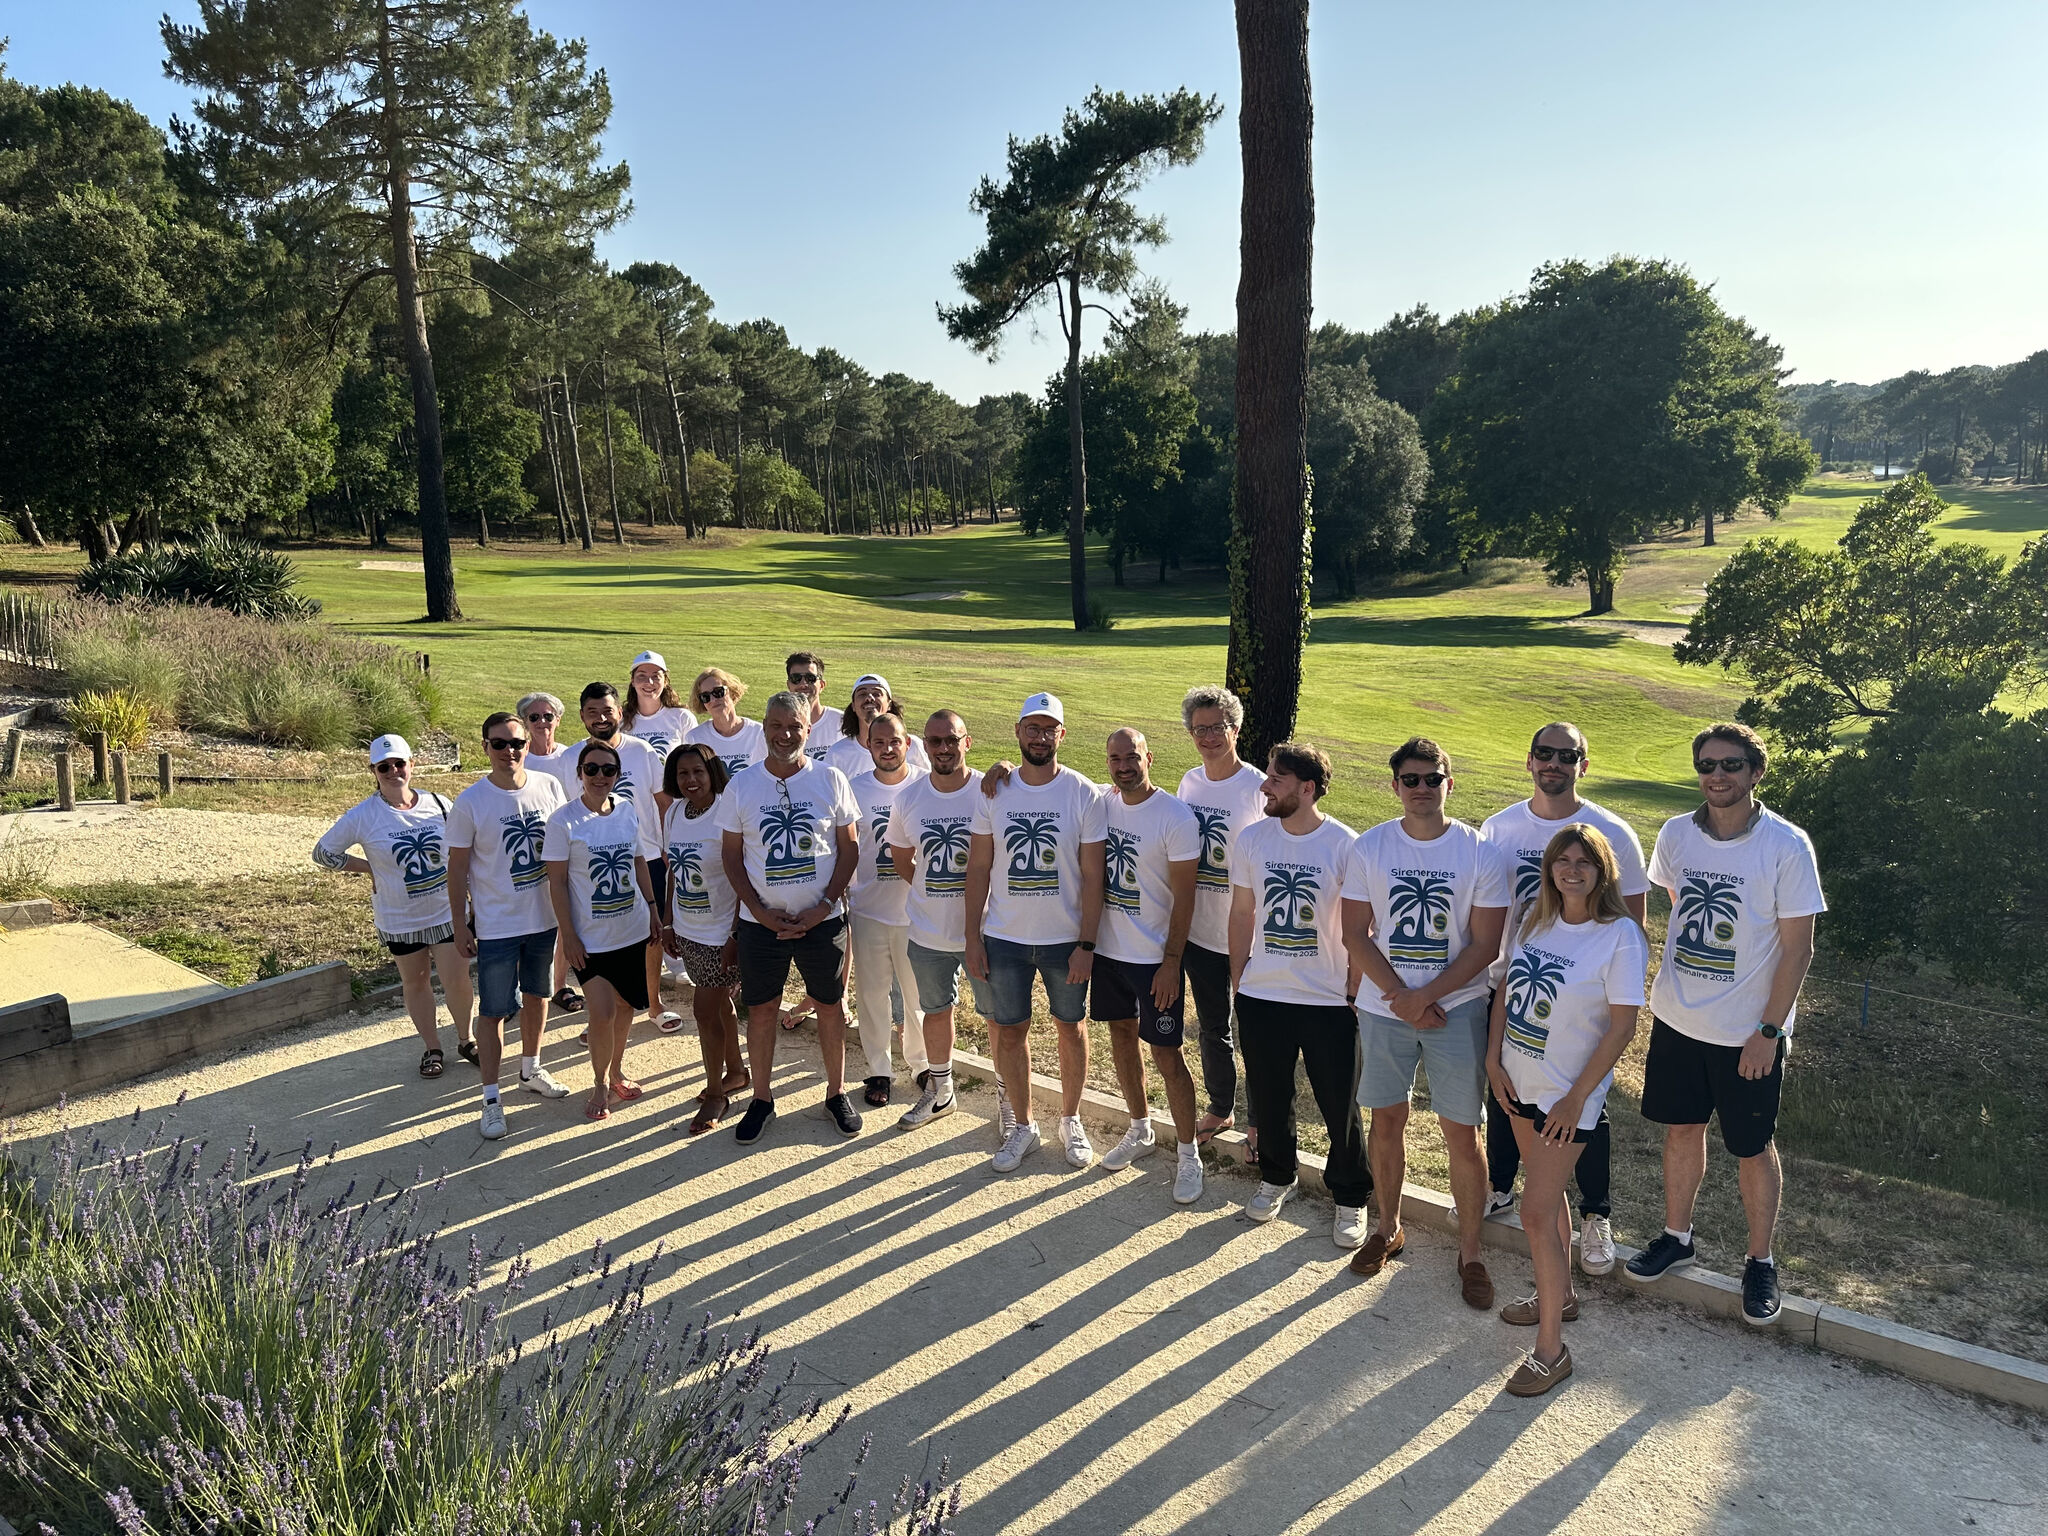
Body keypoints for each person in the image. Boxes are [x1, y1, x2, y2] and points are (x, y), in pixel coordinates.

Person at [1625, 722, 1824, 1327]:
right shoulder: (1676, 835)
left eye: (1732, 765)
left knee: (1752, 1147)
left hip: (1749, 1036)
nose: (1718, 776)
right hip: (1679, 1019)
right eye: (1707, 765)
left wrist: (1769, 1031)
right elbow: (1674, 904)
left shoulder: (1787, 846)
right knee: (1683, 1131)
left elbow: (1798, 950)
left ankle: (1760, 1261)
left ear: (1756, 772)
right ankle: (1676, 1237)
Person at [1478, 722, 1649, 1277]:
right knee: (1510, 1098)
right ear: (1529, 761)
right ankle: (1500, 1184)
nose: (1554, 762)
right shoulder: (1499, 827)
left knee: (1583, 1110)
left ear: (1584, 763)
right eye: (1544, 753)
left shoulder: (1613, 832)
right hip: (1515, 979)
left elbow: (1633, 921)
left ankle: (1595, 1214)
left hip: (1584, 996)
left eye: (1567, 755)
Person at [1343, 737, 1510, 1305]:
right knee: (1386, 1120)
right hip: (1385, 1008)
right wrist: (1400, 995)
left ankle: (1471, 1253)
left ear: (1449, 783)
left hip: (1458, 1009)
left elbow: (1486, 944)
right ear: (1394, 786)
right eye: (1410, 780)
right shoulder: (1369, 848)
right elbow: (1354, 935)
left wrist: (1427, 996)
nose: (1421, 789)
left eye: (1431, 779)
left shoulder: (1481, 853)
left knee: (1461, 1132)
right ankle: (1386, 1228)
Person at [1486, 825, 1648, 1397]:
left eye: (1585, 861)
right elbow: (1507, 988)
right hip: (1518, 1082)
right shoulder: (1536, 915)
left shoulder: (1620, 936)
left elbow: (1623, 1026)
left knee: (1533, 1213)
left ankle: (1552, 1351)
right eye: (1563, 860)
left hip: (1566, 1098)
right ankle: (1564, 1298)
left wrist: (1579, 1096)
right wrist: (1492, 1058)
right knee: (1544, 1197)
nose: (1572, 869)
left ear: (1603, 871)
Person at [1227, 742, 1375, 1244]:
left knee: (1341, 1105)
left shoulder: (1345, 846)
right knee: (1269, 1098)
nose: (1265, 786)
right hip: (1263, 995)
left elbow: (1360, 927)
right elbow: (1243, 913)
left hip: (1329, 1001)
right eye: (1268, 776)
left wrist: (1354, 987)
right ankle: (1276, 1176)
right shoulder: (1251, 840)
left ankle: (1351, 1197)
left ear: (1307, 788)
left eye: (1277, 779)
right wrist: (1238, 980)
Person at [965, 693, 1106, 1173]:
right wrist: (971, 936)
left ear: (1061, 735)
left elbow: (1093, 877)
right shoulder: (994, 791)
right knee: (1010, 1032)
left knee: (1072, 1028)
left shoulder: (1082, 793)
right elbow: (979, 866)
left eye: (1050, 729)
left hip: (1065, 940)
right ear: (1018, 731)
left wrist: (1087, 944)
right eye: (1032, 727)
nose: (1041, 736)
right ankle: (1023, 1125)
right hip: (1004, 937)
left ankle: (1071, 1118)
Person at [716, 690, 862, 1144]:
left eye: (794, 727)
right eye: (776, 726)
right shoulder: (743, 784)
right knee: (760, 1011)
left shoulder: (831, 779)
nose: (785, 735)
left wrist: (824, 906)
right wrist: (757, 910)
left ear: (808, 729)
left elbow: (849, 848)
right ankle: (762, 1098)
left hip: (823, 921)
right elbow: (732, 856)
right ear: (764, 729)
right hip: (763, 926)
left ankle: (836, 1093)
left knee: (830, 1006)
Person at [312, 734, 475, 1078]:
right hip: (400, 918)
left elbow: (462, 851)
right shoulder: (363, 816)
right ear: (373, 771)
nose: (393, 771)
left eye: (399, 763)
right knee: (415, 983)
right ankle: (432, 1047)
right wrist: (367, 867)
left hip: (447, 912)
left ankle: (466, 1037)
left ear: (412, 764)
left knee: (457, 980)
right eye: (384, 766)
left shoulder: (440, 804)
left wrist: (472, 893)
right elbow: (324, 853)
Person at [446, 711, 572, 1139]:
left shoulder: (548, 786)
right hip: (497, 924)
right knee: (495, 1010)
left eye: (516, 742)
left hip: (543, 918)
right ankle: (491, 1096)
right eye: (499, 744)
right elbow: (457, 868)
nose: (510, 751)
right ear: (485, 748)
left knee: (539, 995)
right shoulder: (471, 802)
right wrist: (461, 923)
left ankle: (531, 1068)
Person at [1091, 728, 1204, 1206]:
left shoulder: (1175, 816)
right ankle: (1139, 1128)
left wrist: (1170, 963)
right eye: (1115, 758)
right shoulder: (1103, 802)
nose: (1123, 766)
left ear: (1148, 758)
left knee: (1166, 1053)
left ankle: (1187, 1151)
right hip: (1108, 953)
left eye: (1132, 756)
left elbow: (1185, 898)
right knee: (1120, 1034)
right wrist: (1003, 770)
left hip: (1154, 959)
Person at [544, 739, 664, 1122]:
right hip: (591, 938)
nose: (600, 776)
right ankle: (598, 1082)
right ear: (579, 773)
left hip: (631, 929)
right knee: (602, 1011)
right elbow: (557, 884)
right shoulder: (563, 821)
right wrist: (570, 936)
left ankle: (616, 1071)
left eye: (608, 770)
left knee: (627, 1006)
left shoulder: (627, 811)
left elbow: (639, 860)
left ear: (618, 774)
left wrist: (652, 909)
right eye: (591, 769)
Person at [887, 709, 992, 1131]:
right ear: (923, 746)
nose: (944, 748)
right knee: (935, 1011)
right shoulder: (909, 799)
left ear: (967, 742)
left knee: (997, 1018)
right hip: (928, 930)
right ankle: (941, 1092)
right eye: (935, 741)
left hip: (987, 931)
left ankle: (1007, 1097)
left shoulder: (991, 789)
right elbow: (900, 857)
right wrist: (932, 889)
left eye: (952, 739)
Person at [1175, 684, 1266, 1155]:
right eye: (1200, 728)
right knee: (1214, 1025)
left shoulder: (1256, 786)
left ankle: (1261, 1119)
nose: (1209, 736)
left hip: (1247, 932)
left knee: (1254, 1030)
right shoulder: (1189, 783)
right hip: (1199, 930)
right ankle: (1222, 1104)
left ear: (1236, 728)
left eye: (1219, 727)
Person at [661, 741, 749, 1134]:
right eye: (683, 773)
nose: (691, 780)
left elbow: (741, 875)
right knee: (717, 1007)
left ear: (712, 772)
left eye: (698, 771)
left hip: (722, 932)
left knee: (702, 1010)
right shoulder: (675, 811)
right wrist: (667, 922)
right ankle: (736, 1071)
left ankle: (716, 1094)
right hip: (687, 928)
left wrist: (735, 932)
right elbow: (672, 871)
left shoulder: (727, 812)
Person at [845, 711, 933, 1106]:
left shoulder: (926, 784)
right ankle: (878, 1070)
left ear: (908, 743)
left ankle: (921, 1063)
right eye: (878, 743)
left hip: (917, 911)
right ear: (868, 746)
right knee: (872, 994)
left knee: (916, 995)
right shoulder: (855, 788)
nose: (887, 749)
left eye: (894, 741)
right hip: (869, 909)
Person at [577, 682, 673, 1032]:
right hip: (593, 866)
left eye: (607, 711)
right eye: (592, 712)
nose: (601, 718)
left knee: (652, 934)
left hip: (645, 856)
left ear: (620, 712)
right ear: (583, 718)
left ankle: (652, 1003)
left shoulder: (642, 751)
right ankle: (599, 1014)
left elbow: (663, 802)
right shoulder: (573, 758)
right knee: (601, 936)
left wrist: (667, 845)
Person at [516, 690, 585, 1016]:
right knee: (529, 919)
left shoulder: (571, 757)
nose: (542, 722)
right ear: (525, 723)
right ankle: (521, 989)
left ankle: (559, 985)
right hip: (527, 850)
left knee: (562, 919)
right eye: (534, 717)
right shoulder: (519, 756)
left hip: (567, 847)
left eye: (548, 716)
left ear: (558, 719)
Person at [824, 674, 932, 780]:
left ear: (889, 704)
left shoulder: (914, 746)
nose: (869, 698)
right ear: (853, 705)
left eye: (877, 693)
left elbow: (929, 785)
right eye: (862, 694)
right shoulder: (838, 753)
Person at [686, 668, 767, 777]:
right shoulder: (694, 738)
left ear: (732, 692)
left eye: (718, 692)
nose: (713, 699)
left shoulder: (759, 733)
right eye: (706, 697)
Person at [623, 650, 697, 757]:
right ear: (633, 681)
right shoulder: (620, 720)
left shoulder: (682, 717)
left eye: (655, 676)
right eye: (642, 676)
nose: (649, 682)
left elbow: (695, 759)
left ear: (665, 681)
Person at [785, 651, 837, 764]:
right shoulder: (781, 727)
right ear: (788, 685)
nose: (803, 684)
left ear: (822, 685)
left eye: (810, 678)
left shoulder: (841, 722)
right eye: (796, 678)